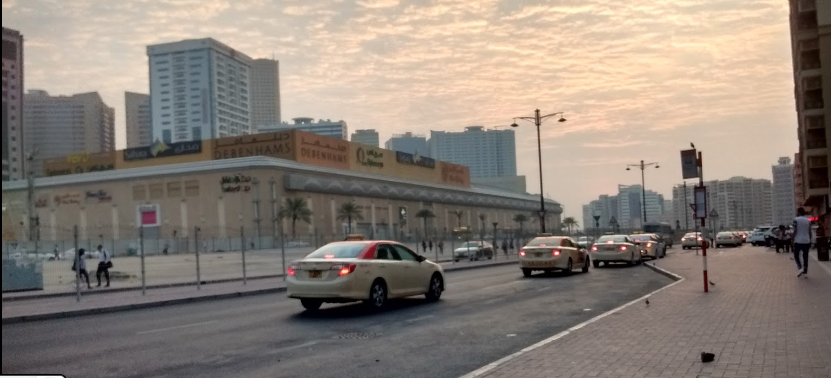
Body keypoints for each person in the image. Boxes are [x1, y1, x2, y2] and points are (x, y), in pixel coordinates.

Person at [793, 207, 813, 278]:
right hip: (806, 241)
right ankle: (805, 272)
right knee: (805, 257)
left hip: (798, 241)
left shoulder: (796, 220)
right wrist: (810, 240)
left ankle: (800, 268)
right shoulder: (808, 220)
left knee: (796, 255)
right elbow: (810, 232)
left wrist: (792, 237)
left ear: (798, 212)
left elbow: (795, 230)